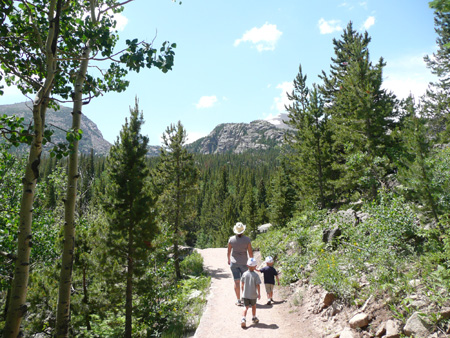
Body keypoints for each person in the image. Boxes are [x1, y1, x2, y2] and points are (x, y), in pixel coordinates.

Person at [227, 222, 253, 306]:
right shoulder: (247, 240)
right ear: (243, 230)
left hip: (234, 263)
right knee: (244, 282)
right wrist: (252, 262)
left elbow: (229, 252)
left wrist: (228, 259)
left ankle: (238, 300)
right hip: (244, 263)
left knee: (236, 281)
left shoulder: (231, 239)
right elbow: (250, 253)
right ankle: (245, 299)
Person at [240, 257, 261, 328]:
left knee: (245, 307)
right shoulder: (256, 275)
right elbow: (258, 285)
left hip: (245, 294)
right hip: (253, 295)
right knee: (254, 306)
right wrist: (259, 294)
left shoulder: (244, 274)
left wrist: (243, 292)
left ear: (247, 265)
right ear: (255, 266)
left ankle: (243, 319)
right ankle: (254, 317)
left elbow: (242, 284)